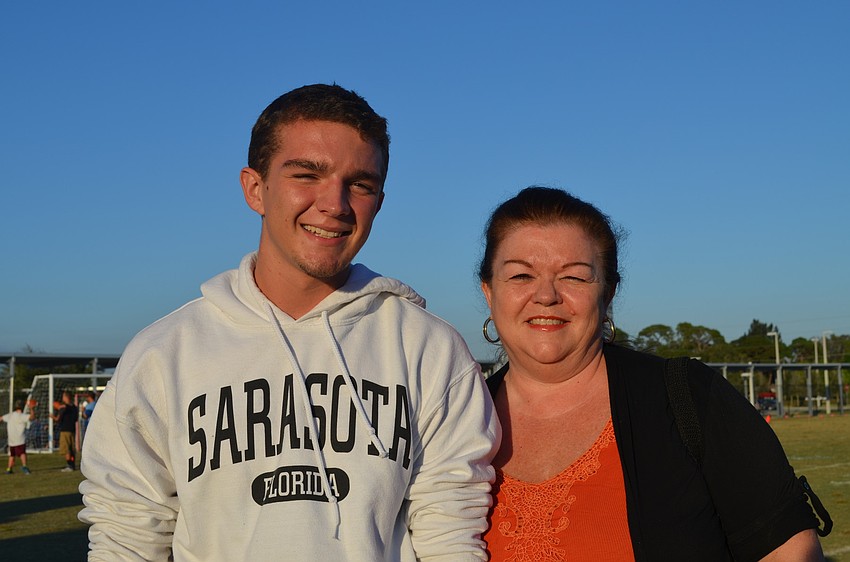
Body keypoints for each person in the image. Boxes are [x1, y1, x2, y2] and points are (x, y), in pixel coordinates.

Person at [79, 84, 499, 561]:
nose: (335, 204)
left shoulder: (430, 349)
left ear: (379, 200)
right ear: (255, 188)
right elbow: (126, 534)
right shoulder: (164, 352)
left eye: (360, 184)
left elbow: (450, 533)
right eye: (307, 175)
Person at [478, 186, 824, 561]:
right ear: (489, 292)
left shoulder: (688, 398)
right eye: (521, 276)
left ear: (608, 294)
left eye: (574, 277)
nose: (546, 296)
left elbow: (790, 551)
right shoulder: (451, 420)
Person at [2, 400, 35, 474]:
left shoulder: (10, 415)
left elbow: (1, 418)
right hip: (19, 439)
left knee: (12, 455)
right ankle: (24, 466)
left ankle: (9, 469)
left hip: (11, 440)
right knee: (22, 453)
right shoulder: (22, 416)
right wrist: (31, 408)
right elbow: (32, 417)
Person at [52, 391, 78, 472]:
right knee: (71, 448)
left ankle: (69, 465)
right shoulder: (74, 407)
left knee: (66, 449)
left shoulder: (63, 407)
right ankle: (73, 465)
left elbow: (58, 419)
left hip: (65, 430)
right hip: (72, 430)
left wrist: (52, 416)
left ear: (66, 397)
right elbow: (76, 419)